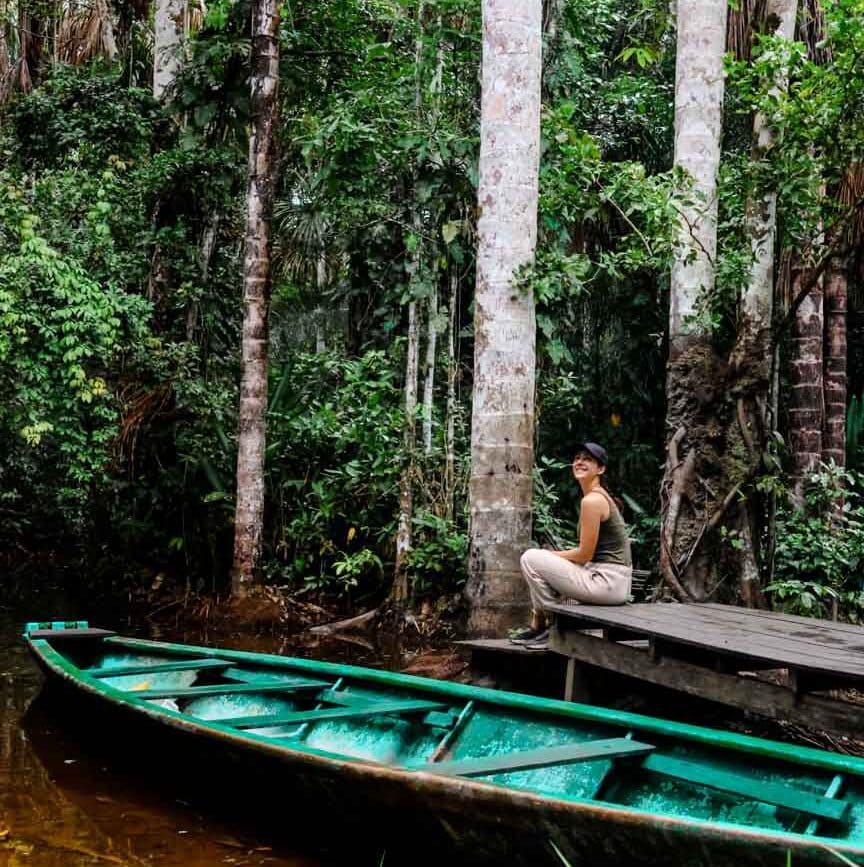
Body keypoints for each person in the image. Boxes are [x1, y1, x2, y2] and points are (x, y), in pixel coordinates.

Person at [509, 442, 632, 648]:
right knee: (539, 561)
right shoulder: (594, 497)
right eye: (577, 458)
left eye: (588, 459)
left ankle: (554, 628)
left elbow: (584, 555)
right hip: (607, 580)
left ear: (600, 469)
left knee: (531, 558)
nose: (580, 462)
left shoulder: (593, 501)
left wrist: (550, 554)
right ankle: (538, 625)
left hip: (607, 582)